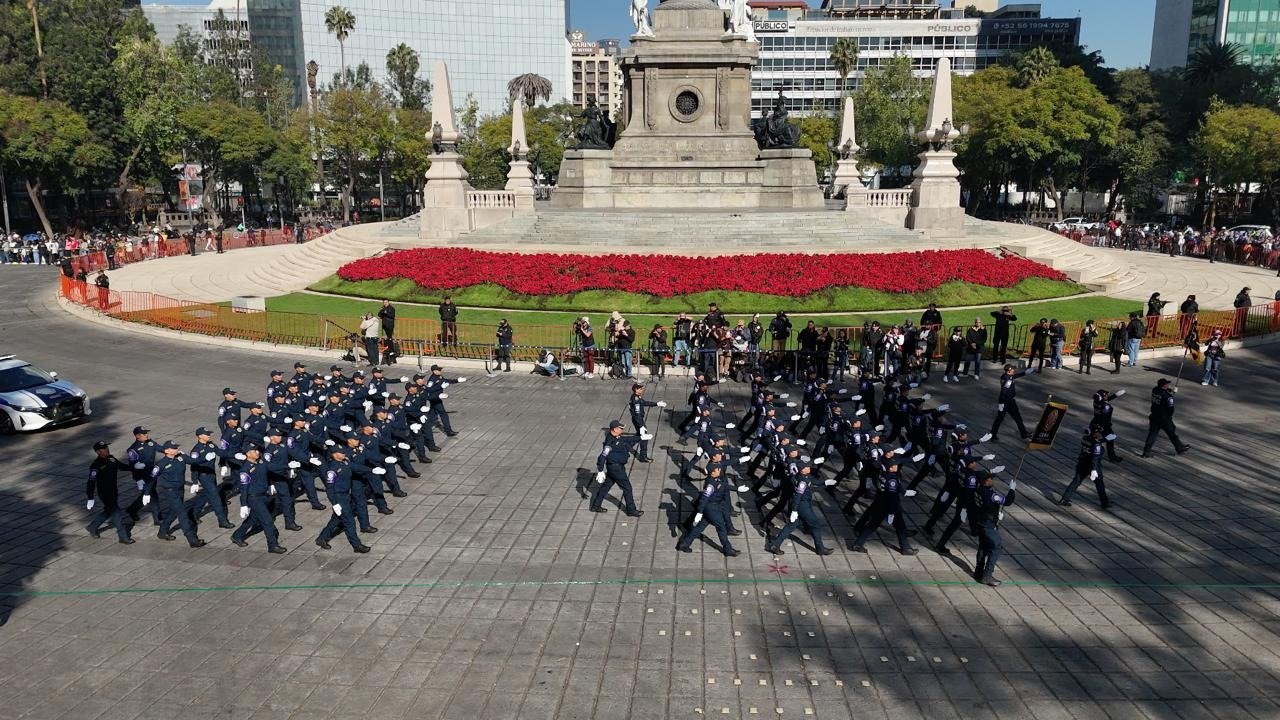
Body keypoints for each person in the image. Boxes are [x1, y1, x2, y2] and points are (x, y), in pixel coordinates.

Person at [153, 441, 206, 547]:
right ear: (167, 451)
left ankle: (162, 531)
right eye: (174, 448)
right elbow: (152, 477)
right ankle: (192, 540)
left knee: (173, 511)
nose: (177, 449)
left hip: (180, 489)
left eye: (176, 447)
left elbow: (193, 461)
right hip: (170, 491)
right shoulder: (162, 464)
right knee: (182, 514)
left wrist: (206, 457)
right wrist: (146, 492)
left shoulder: (181, 457)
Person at [590, 420, 647, 517]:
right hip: (616, 468)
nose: (622, 430)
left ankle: (596, 506)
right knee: (627, 488)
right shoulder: (609, 442)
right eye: (621, 428)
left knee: (606, 487)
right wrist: (600, 470)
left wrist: (641, 437)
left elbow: (627, 439)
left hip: (614, 467)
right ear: (615, 429)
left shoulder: (617, 436)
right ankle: (631, 510)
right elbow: (602, 456)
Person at [973, 471, 1017, 587]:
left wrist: (996, 514)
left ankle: (978, 572)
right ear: (985, 482)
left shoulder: (977, 490)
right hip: (988, 524)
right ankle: (987, 576)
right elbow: (1007, 501)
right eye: (989, 479)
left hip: (980, 521)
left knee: (983, 546)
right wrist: (1012, 490)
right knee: (996, 547)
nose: (991, 480)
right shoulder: (991, 495)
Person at [86, 441, 135, 544]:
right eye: (104, 448)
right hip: (104, 493)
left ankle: (92, 526)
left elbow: (121, 466)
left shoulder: (111, 459)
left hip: (113, 490)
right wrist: (90, 497)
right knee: (116, 514)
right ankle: (123, 537)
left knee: (109, 511)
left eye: (106, 447)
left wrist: (134, 467)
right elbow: (91, 482)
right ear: (98, 452)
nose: (107, 449)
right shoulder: (95, 465)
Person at [1059, 426, 1109, 508]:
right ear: (1095, 433)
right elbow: (1095, 458)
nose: (1100, 434)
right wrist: (1094, 470)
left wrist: (1105, 439)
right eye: (1098, 432)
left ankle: (1065, 499)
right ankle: (1105, 503)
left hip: (1082, 463)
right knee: (1099, 484)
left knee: (1076, 481)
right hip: (1092, 466)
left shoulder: (1084, 438)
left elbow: (1094, 441)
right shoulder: (1097, 445)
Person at [1140, 379, 1189, 458]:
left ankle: (1146, 451)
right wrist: (1171, 395)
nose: (1168, 385)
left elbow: (1161, 391)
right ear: (1164, 386)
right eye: (1167, 384)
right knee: (1172, 433)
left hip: (1154, 416)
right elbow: (1171, 409)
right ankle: (1180, 449)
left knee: (1152, 434)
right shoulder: (1168, 396)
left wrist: (1170, 391)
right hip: (1164, 419)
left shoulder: (1155, 390)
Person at [989, 364, 1036, 441]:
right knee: (1000, 419)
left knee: (1017, 418)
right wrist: (1003, 404)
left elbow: (1015, 376)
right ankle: (992, 435)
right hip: (1005, 403)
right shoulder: (1007, 379)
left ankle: (1024, 434)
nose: (1014, 370)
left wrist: (1025, 373)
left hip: (1009, 402)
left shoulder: (1007, 376)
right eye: (1012, 370)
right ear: (1008, 371)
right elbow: (1004, 391)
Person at [627, 383, 666, 463]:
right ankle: (643, 457)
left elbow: (644, 402)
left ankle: (625, 447)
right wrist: (641, 426)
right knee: (644, 438)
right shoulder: (636, 400)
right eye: (640, 389)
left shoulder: (637, 397)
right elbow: (637, 414)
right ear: (636, 389)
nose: (642, 390)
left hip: (637, 420)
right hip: (638, 420)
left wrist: (656, 404)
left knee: (639, 436)